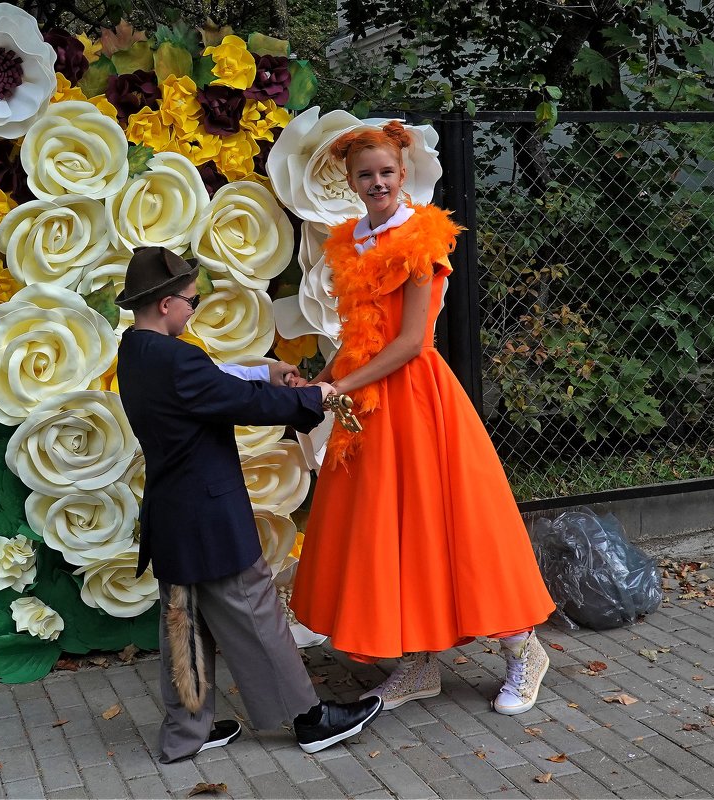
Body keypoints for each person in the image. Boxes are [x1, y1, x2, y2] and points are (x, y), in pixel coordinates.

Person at [289, 122, 559, 716]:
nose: (377, 181)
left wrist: (336, 387)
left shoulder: (421, 238)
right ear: (351, 181)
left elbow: (411, 341)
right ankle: (416, 664)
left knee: (450, 525)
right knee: (388, 534)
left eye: (386, 172)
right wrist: (320, 382)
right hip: (368, 406)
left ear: (403, 174)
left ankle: (524, 650)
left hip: (415, 399)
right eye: (366, 174)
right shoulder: (352, 239)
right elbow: (360, 336)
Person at [114, 246, 383, 763]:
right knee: (254, 607)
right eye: (190, 302)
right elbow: (239, 402)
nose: (193, 309)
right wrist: (315, 397)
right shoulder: (178, 358)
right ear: (167, 304)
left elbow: (209, 385)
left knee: (183, 623)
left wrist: (265, 373)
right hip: (209, 514)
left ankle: (185, 733)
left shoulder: (136, 351)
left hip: (172, 512)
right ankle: (310, 721)